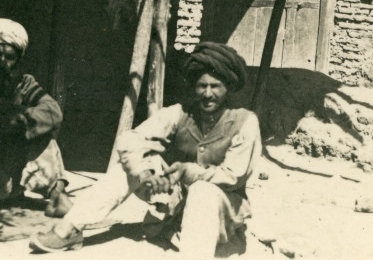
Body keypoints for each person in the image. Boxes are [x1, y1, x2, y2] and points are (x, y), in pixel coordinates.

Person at [30, 42, 261, 256]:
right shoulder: (180, 113)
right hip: (176, 206)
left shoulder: (244, 121)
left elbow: (232, 176)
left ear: (228, 88)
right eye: (202, 86)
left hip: (222, 212)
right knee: (131, 165)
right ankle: (68, 230)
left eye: (215, 86)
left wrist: (187, 171)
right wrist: (144, 173)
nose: (208, 94)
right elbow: (131, 139)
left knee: (203, 190)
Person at [0, 19, 71, 218]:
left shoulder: (23, 84)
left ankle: (58, 197)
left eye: (9, 57)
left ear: (18, 59)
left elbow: (52, 111)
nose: (2, 62)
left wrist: (17, 121)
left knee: (42, 136)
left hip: (7, 175)